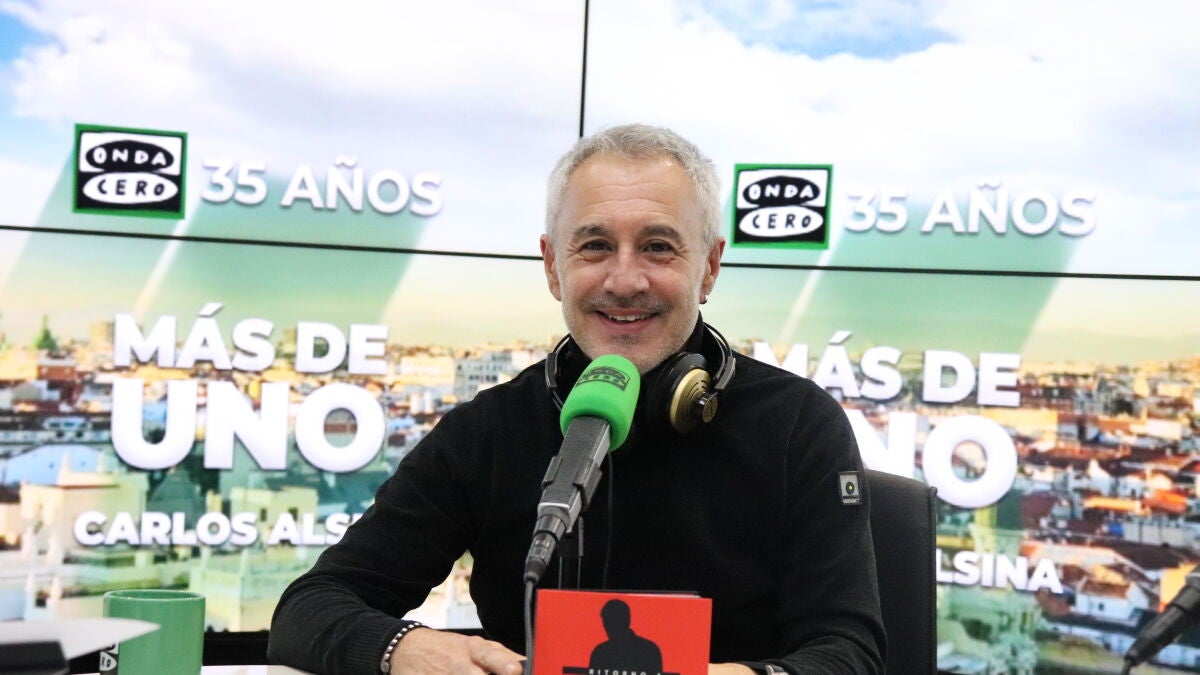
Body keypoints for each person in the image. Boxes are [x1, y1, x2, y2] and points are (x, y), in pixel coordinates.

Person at [268, 124, 885, 675]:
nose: (624, 280)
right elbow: (309, 609)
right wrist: (405, 648)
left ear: (709, 268)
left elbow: (849, 654)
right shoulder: (489, 430)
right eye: (594, 246)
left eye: (658, 246)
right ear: (552, 267)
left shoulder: (798, 424)